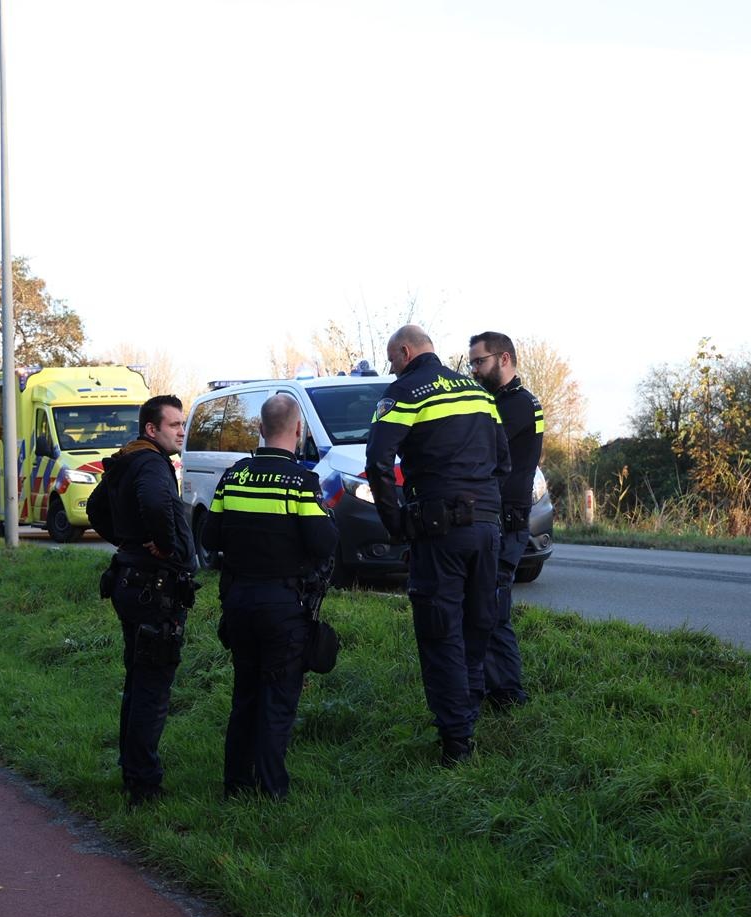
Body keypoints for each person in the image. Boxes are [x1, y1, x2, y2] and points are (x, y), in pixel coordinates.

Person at [364, 324, 509, 766]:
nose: (392, 367)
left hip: (438, 530)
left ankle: (456, 742)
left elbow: (377, 460)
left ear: (405, 352)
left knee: (440, 630)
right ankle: (470, 713)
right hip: (487, 528)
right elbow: (504, 459)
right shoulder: (478, 392)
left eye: (392, 360)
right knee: (478, 623)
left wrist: (395, 522)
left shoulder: (405, 392)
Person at [203, 393, 338, 800]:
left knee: (244, 694)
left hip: (239, 603)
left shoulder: (234, 476)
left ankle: (236, 785)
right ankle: (271, 790)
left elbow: (209, 538)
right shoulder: (302, 483)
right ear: (298, 431)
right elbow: (324, 544)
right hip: (283, 608)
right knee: (277, 699)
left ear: (260, 429)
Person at [95, 395, 196, 807]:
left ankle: (132, 772)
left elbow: (97, 508)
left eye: (181, 424)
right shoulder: (152, 463)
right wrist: (166, 546)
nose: (180, 432)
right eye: (173, 425)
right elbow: (155, 503)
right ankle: (144, 786)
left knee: (138, 682)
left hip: (129, 580)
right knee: (152, 688)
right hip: (152, 589)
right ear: (151, 430)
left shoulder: (126, 460)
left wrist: (127, 542)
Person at [468, 331, 545, 710]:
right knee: (483, 606)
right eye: (471, 363)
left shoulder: (519, 405)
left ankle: (509, 694)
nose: (474, 370)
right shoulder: (497, 400)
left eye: (479, 362)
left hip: (509, 520)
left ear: (504, 359)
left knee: (494, 608)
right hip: (493, 518)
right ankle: (485, 687)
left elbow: (477, 442)